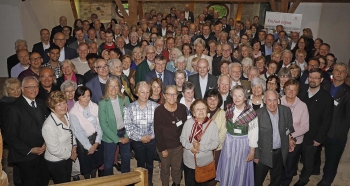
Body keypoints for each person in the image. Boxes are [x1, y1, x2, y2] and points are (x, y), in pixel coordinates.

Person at [3, 76, 50, 186]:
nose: (34, 89)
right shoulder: (12, 108)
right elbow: (9, 136)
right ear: (22, 89)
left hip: (44, 152)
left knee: (43, 180)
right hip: (26, 156)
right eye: (30, 87)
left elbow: (48, 125)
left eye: (36, 86)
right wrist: (30, 150)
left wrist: (46, 142)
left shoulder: (42, 103)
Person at [294, 68, 334, 186]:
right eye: (310, 77)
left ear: (321, 80)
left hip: (312, 136)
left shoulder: (326, 98)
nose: (312, 80)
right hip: (297, 133)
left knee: (308, 161)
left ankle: (303, 180)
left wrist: (319, 139)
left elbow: (327, 121)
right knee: (294, 158)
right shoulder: (301, 91)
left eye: (316, 78)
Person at [216, 85, 258, 186]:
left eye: (240, 96)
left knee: (240, 168)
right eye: (234, 95)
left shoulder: (251, 113)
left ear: (245, 97)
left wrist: (252, 152)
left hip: (242, 145)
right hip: (229, 144)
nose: (237, 98)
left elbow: (253, 134)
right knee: (227, 167)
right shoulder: (229, 108)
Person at [254, 90, 295, 186]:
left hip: (279, 153)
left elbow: (289, 128)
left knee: (276, 180)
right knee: (257, 181)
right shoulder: (257, 114)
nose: (272, 104)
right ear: (264, 101)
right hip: (263, 153)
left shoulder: (286, 111)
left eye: (274, 100)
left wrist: (290, 139)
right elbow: (253, 137)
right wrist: (256, 155)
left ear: (278, 100)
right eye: (269, 100)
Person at [318, 63, 350, 186]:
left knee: (332, 159)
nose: (339, 73)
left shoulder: (348, 92)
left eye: (342, 71)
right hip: (321, 129)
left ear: (345, 75)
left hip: (336, 133)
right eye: (337, 70)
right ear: (333, 72)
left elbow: (348, 117)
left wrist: (341, 134)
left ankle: (327, 181)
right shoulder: (324, 86)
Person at [124, 81, 159, 186]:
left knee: (149, 163)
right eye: (142, 92)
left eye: (147, 92)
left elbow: (158, 125)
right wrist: (140, 138)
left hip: (151, 140)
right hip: (137, 141)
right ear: (136, 93)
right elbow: (128, 127)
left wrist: (151, 136)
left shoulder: (156, 107)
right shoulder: (129, 108)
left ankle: (149, 181)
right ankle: (140, 182)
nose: (145, 95)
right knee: (140, 162)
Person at [180, 99, 220, 185]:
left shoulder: (212, 124)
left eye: (203, 108)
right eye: (198, 109)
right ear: (193, 113)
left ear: (207, 111)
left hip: (205, 163)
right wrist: (191, 147)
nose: (201, 111)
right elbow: (182, 139)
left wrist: (200, 147)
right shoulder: (188, 123)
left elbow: (216, 143)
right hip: (189, 162)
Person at [154, 85, 187, 186]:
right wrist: (162, 149)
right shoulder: (159, 111)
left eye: (174, 94)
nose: (172, 97)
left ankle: (176, 184)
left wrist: (183, 145)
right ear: (164, 95)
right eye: (169, 94)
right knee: (165, 169)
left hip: (178, 146)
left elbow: (184, 127)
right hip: (165, 146)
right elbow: (158, 132)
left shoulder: (182, 108)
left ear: (177, 95)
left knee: (177, 168)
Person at [42, 91, 77, 184]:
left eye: (64, 103)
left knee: (67, 181)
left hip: (68, 156)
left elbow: (71, 131)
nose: (63, 106)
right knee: (62, 182)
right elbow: (54, 150)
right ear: (52, 108)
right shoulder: (48, 126)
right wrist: (71, 155)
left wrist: (74, 146)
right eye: (59, 105)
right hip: (56, 161)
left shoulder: (66, 115)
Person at [69, 86, 104, 179]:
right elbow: (78, 132)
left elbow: (100, 126)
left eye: (88, 96)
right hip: (83, 143)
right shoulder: (73, 112)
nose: (87, 99)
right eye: (83, 96)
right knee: (87, 167)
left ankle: (94, 179)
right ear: (78, 97)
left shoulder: (95, 107)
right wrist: (89, 147)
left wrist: (96, 143)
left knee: (95, 164)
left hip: (96, 139)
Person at [98, 76, 131, 175]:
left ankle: (126, 180)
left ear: (119, 87)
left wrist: (126, 136)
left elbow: (130, 119)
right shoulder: (103, 103)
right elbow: (103, 124)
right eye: (111, 86)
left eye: (116, 86)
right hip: (110, 135)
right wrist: (117, 139)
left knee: (126, 158)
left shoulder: (125, 99)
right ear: (107, 87)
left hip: (125, 131)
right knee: (108, 161)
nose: (113, 89)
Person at [280, 79, 309, 186]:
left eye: (294, 90)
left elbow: (305, 127)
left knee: (289, 166)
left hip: (296, 141)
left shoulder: (302, 106)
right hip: (279, 139)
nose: (291, 92)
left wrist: (290, 136)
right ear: (284, 89)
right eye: (288, 89)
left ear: (298, 91)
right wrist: (286, 137)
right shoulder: (278, 102)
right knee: (278, 166)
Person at [204, 89, 227, 186]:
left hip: (217, 149)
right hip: (203, 148)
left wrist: (213, 145)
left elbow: (223, 133)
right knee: (203, 170)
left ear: (219, 101)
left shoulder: (223, 114)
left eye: (215, 99)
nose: (212, 102)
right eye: (210, 99)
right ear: (206, 99)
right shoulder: (202, 111)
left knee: (214, 171)